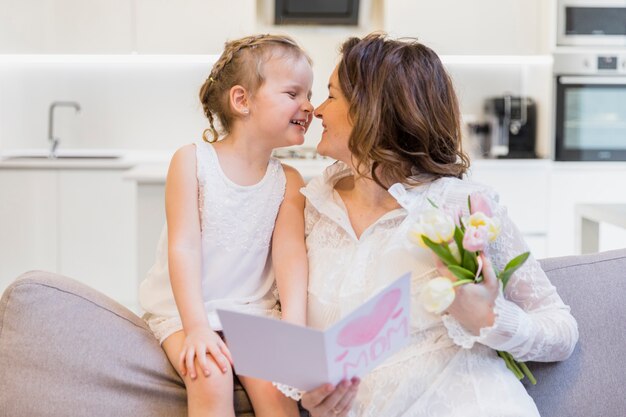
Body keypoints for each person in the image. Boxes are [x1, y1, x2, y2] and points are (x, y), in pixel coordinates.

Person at [291, 33, 579, 417]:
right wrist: (306, 393)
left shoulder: (462, 205)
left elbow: (561, 330)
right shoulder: (310, 205)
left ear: (372, 109)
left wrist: (489, 319)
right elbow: (288, 332)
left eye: (331, 95)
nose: (318, 111)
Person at [138, 34, 312, 417]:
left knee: (278, 391)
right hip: (186, 310)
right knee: (210, 373)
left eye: (310, 94)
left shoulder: (291, 181)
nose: (309, 106)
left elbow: (291, 258)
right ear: (242, 100)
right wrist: (197, 327)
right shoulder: (191, 162)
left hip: (252, 312)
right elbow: (182, 247)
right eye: (293, 93)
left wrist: (294, 328)